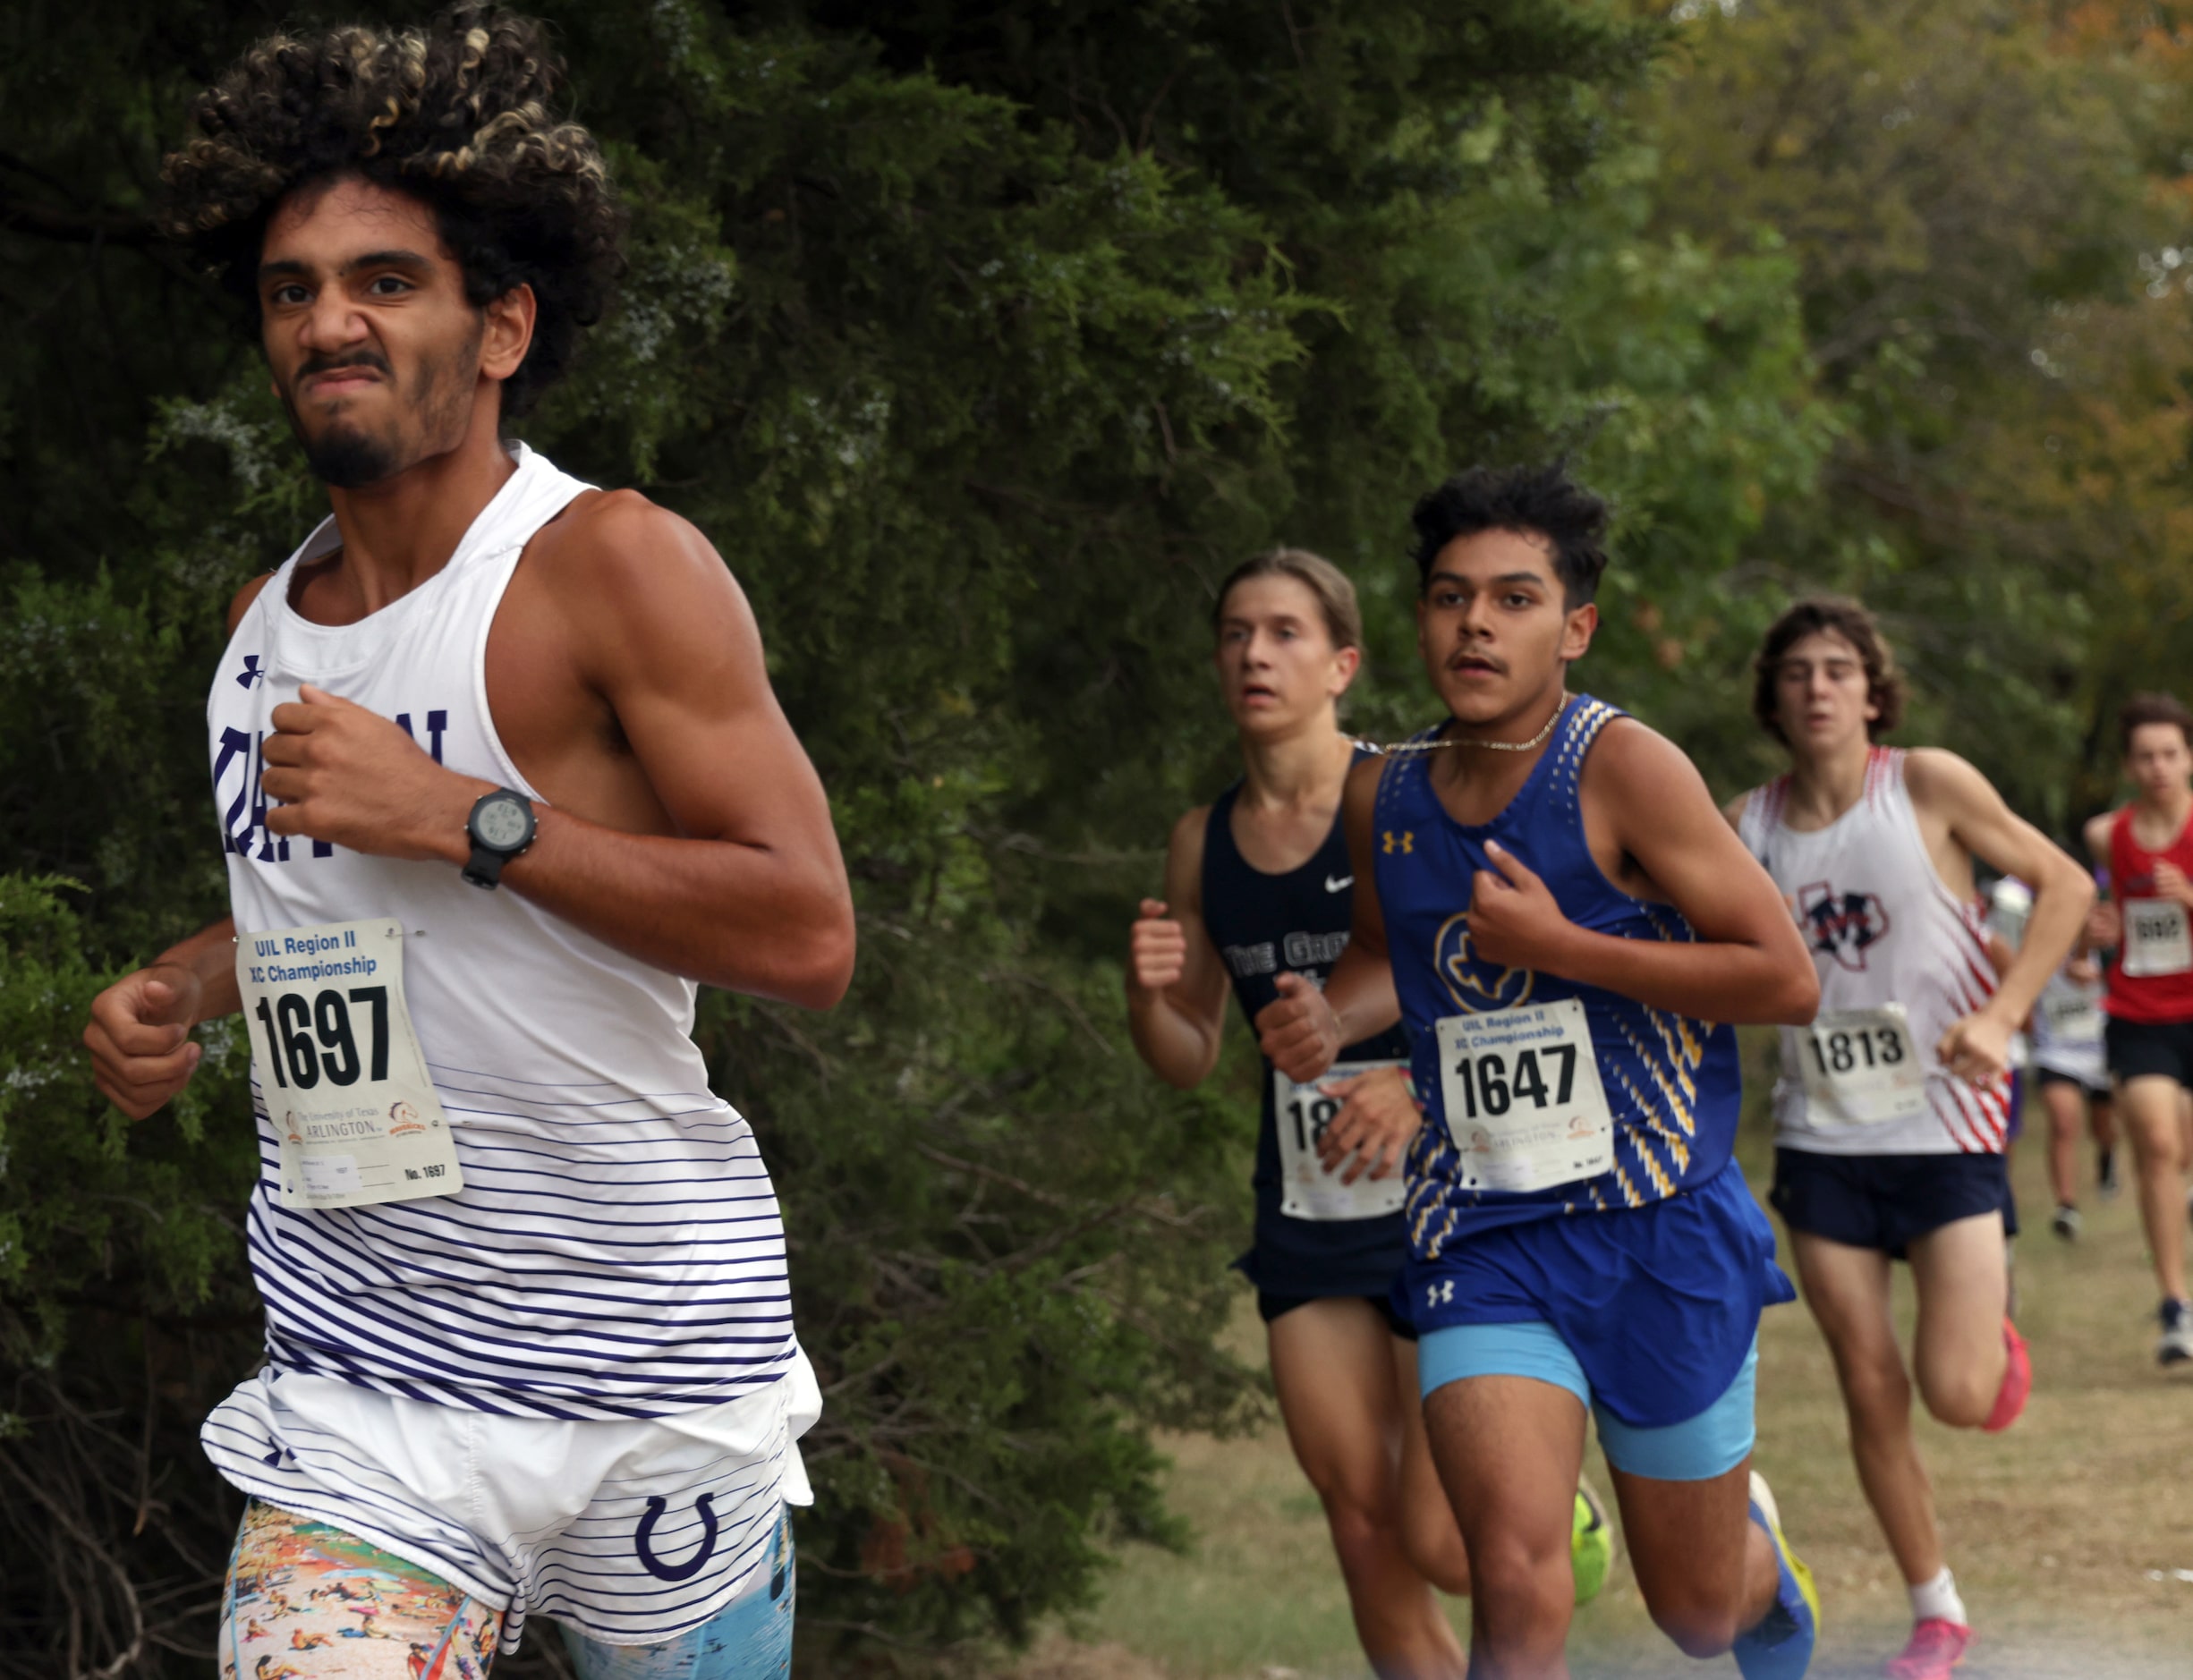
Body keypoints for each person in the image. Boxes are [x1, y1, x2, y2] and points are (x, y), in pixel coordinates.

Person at [81, 10, 854, 1675]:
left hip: (655, 1381)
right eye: (291, 290)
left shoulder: (607, 566)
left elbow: (806, 930)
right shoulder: (259, 631)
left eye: (383, 281)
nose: (327, 322)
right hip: (369, 1396)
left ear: (501, 324)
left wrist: (472, 817)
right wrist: (185, 988)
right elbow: (348, 920)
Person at [1256, 463, 1823, 1680]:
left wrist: (1562, 947)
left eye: (1512, 598)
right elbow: (1379, 958)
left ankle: (1758, 1568)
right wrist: (1323, 1011)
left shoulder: (1621, 768)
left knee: (1696, 1612)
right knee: (1511, 1582)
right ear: (1418, 618)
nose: (1474, 622)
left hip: (1658, 1226)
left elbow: (1782, 977)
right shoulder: (1384, 792)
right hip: (1484, 1227)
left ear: (1572, 627)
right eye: (1450, 596)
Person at [1125, 549, 1614, 1680]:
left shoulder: (1405, 796)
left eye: (1286, 632)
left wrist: (1413, 1082)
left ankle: (1556, 1501)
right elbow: (1192, 1054)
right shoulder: (1203, 841)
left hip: (1445, 1201)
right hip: (1307, 1211)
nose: (1255, 653)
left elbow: (1510, 976)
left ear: (1344, 661)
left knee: (1446, 1538)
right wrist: (1151, 992)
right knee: (1360, 1522)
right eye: (1237, 633)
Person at [1731, 598, 2091, 1680]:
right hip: (1823, 1141)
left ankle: (1992, 1346)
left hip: (1949, 1125)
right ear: (1775, 699)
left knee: (1955, 1392)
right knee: (1869, 1381)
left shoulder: (1925, 785)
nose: (1818, 688)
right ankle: (1936, 1610)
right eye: (1796, 672)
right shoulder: (1742, 824)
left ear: (1873, 690)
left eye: (1839, 669)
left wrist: (2005, 1012)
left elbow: (2066, 884)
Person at [2082, 692, 2193, 1364]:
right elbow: (2101, 913)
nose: (2157, 767)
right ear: (2128, 766)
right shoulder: (2106, 835)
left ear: (2188, 758)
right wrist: (2095, 930)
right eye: (2145, 756)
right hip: (2138, 1014)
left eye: (2170, 754)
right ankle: (2174, 1306)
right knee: (2154, 1143)